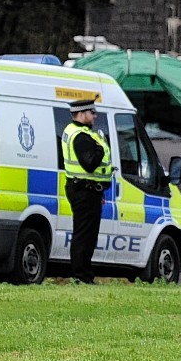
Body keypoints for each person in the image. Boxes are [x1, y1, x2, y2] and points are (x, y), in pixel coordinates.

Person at [61, 98, 112, 284]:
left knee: (86, 234)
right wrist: (99, 149)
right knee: (85, 235)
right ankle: (81, 276)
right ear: (82, 114)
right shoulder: (81, 137)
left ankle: (83, 274)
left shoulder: (75, 132)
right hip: (84, 190)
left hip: (87, 190)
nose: (95, 116)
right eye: (92, 113)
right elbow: (89, 164)